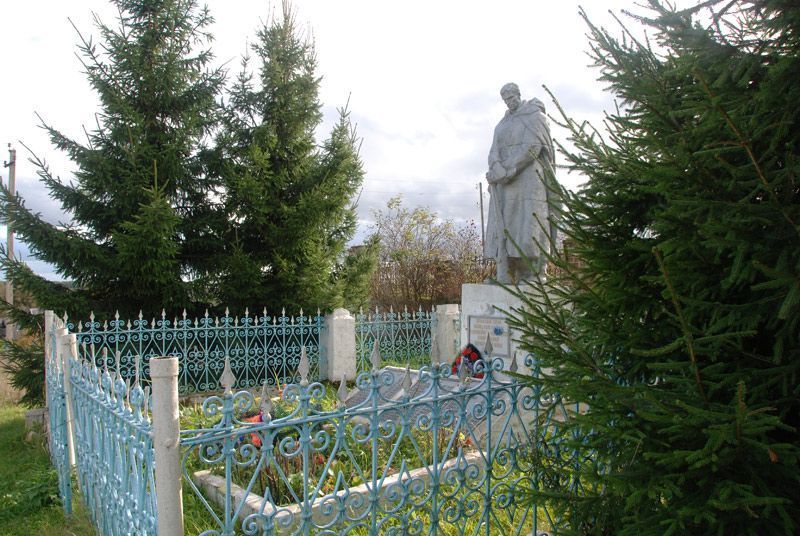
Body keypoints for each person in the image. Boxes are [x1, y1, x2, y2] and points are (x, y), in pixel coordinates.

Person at [485, 82, 557, 283]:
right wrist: (496, 167)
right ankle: (507, 271)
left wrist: (508, 169)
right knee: (506, 226)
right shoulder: (502, 124)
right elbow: (493, 151)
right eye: (505, 99)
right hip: (505, 184)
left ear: (518, 94)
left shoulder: (535, 116)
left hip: (529, 178)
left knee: (529, 223)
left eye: (511, 97)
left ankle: (533, 273)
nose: (509, 102)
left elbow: (532, 147)